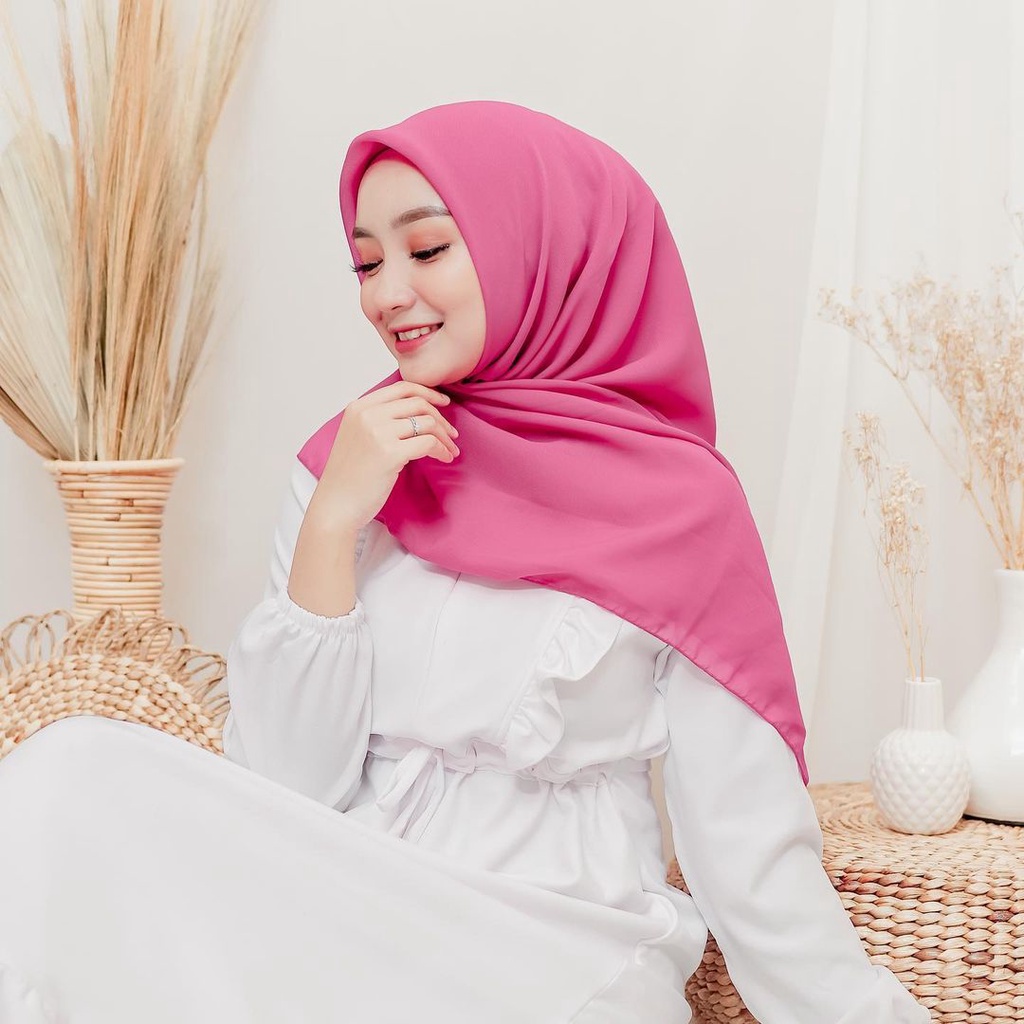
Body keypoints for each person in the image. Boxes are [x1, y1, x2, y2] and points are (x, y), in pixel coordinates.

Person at [0, 101, 929, 1024]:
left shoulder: (682, 508)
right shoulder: (352, 462)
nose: (386, 295)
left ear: (543, 251)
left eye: (427, 249)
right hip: (345, 915)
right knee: (71, 767)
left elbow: (749, 854)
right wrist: (332, 523)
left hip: (552, 946)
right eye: (367, 263)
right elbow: (283, 790)